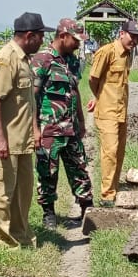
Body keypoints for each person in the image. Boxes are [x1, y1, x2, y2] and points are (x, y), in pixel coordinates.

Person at [0, 11, 52, 248]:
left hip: (22, 140)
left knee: (22, 193)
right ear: (30, 35)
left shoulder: (24, 59)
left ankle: (21, 235)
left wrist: (34, 129)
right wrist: (0, 139)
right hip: (7, 141)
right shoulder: (6, 59)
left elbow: (27, 102)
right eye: (41, 36)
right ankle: (3, 241)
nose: (43, 41)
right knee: (3, 192)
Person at [33, 18, 93, 228]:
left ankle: (87, 210)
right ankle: (49, 214)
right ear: (63, 36)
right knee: (47, 172)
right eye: (75, 40)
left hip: (72, 128)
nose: (78, 44)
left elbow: (74, 90)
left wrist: (82, 120)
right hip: (49, 128)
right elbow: (32, 96)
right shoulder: (43, 60)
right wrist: (34, 130)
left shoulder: (73, 62)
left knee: (80, 169)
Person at [87, 19, 138, 203]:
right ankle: (107, 196)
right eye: (132, 36)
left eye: (137, 38)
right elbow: (93, 79)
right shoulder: (107, 52)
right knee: (109, 152)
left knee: (119, 152)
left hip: (121, 112)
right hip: (107, 112)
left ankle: (114, 188)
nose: (134, 41)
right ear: (121, 33)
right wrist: (99, 98)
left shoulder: (127, 55)